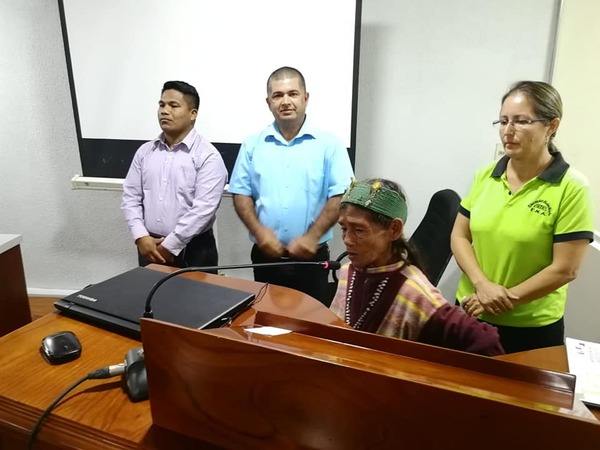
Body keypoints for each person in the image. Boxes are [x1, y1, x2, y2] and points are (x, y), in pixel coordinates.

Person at [451, 81, 594, 354]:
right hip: (471, 310)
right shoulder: (486, 174)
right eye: (503, 121)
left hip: (531, 328)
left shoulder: (571, 186)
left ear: (551, 126)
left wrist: (502, 300)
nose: (508, 131)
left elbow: (566, 268)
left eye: (521, 121)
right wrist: (482, 286)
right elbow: (459, 235)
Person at [330, 178, 504, 356]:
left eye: (359, 230)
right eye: (344, 228)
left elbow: (486, 341)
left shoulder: (414, 292)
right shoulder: (348, 271)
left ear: (394, 229)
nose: (347, 240)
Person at [229, 67, 354, 304]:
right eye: (278, 95)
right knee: (265, 321)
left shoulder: (329, 143)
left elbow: (341, 194)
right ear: (268, 102)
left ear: (306, 98)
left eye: (293, 94)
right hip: (266, 257)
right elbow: (241, 193)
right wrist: (259, 231)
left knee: (310, 326)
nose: (285, 101)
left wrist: (312, 236)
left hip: (311, 257)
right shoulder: (252, 144)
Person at [122, 81, 227, 271]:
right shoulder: (145, 152)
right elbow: (131, 197)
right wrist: (140, 236)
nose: (164, 111)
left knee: (195, 301)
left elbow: (203, 209)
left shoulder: (208, 156)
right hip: (149, 246)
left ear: (193, 114)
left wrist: (171, 245)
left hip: (194, 250)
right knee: (151, 300)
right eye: (161, 105)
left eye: (173, 105)